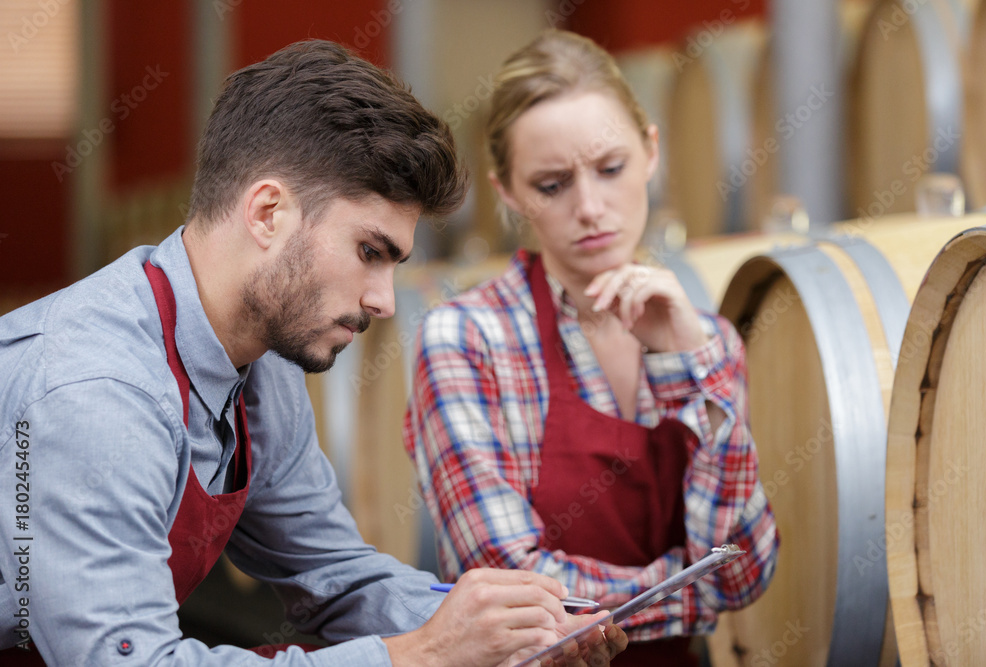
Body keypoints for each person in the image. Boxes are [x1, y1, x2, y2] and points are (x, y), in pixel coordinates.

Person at [0, 40, 627, 666]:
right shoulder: (96, 390)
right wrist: (422, 654)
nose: (385, 301)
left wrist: (515, 627)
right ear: (268, 213)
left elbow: (334, 575)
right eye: (369, 252)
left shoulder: (262, 364)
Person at [403, 30, 778, 666]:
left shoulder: (709, 341)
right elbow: (512, 590)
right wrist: (695, 587)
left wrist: (694, 366)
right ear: (508, 193)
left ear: (651, 151)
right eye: (552, 185)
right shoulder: (465, 339)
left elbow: (746, 569)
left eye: (610, 169)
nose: (590, 207)